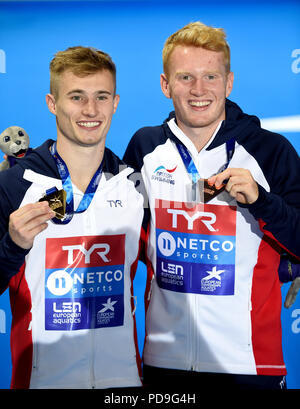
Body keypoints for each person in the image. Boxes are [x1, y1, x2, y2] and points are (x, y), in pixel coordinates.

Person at [123, 22, 300, 390]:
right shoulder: (145, 147)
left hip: (249, 363)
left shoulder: (270, 151)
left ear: (229, 82)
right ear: (165, 84)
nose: (199, 90)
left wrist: (262, 202)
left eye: (210, 76)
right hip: (163, 361)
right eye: (185, 77)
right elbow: (121, 235)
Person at [0, 46, 144, 389]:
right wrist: (12, 246)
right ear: (52, 103)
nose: (91, 110)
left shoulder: (136, 185)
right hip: (42, 381)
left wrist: (291, 262)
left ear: (116, 102)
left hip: (123, 384)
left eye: (101, 97)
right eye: (76, 97)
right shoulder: (12, 185)